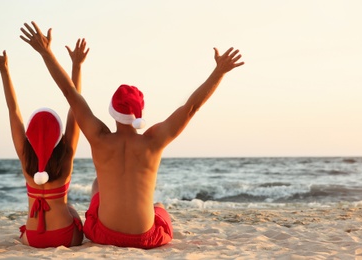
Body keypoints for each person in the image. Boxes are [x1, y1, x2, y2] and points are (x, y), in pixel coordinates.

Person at [20, 21, 244, 249]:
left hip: (103, 234)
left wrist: (45, 52)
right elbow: (191, 107)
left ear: (113, 112)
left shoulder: (99, 137)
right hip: (144, 237)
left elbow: (69, 92)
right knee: (160, 209)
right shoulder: (154, 140)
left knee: (98, 184)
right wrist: (219, 72)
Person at [0, 37, 89, 248]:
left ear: (29, 134)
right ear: (58, 136)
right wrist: (77, 66)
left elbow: (14, 111)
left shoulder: (25, 154)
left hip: (33, 238)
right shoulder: (66, 154)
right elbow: (75, 104)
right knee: (72, 209)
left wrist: (4, 70)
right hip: (64, 237)